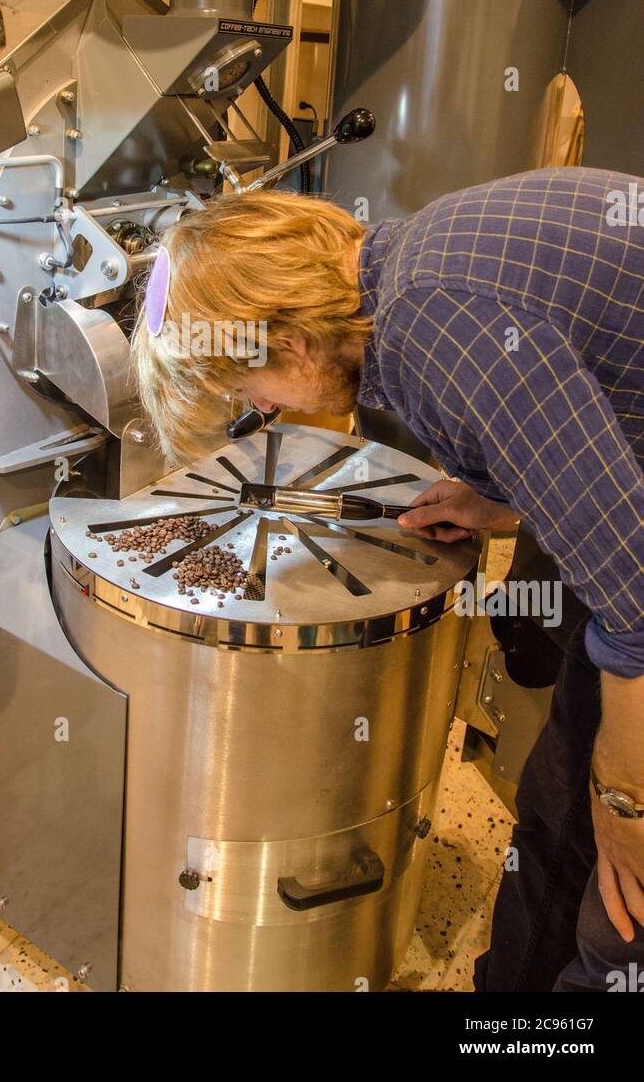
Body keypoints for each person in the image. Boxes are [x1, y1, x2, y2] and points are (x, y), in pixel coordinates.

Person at [132, 165, 644, 992]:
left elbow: (637, 608)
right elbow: (587, 396)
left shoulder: (441, 320)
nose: (260, 409)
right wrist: (493, 497)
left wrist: (628, 807)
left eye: (245, 388)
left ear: (290, 343)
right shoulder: (421, 264)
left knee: (621, 922)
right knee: (556, 813)